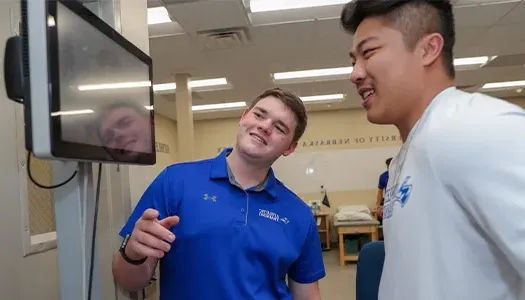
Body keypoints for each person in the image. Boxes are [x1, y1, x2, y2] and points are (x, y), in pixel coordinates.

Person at [341, 1, 525, 300]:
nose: (355, 74)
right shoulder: (410, 152)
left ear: (428, 49)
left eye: (369, 52)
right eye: (353, 60)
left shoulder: (475, 128)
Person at [112, 87, 326, 300]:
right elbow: (128, 280)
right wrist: (133, 253)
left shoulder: (299, 214)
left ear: (290, 148)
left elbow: (307, 295)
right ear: (243, 117)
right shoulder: (175, 182)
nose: (265, 126)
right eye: (259, 115)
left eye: (279, 128)